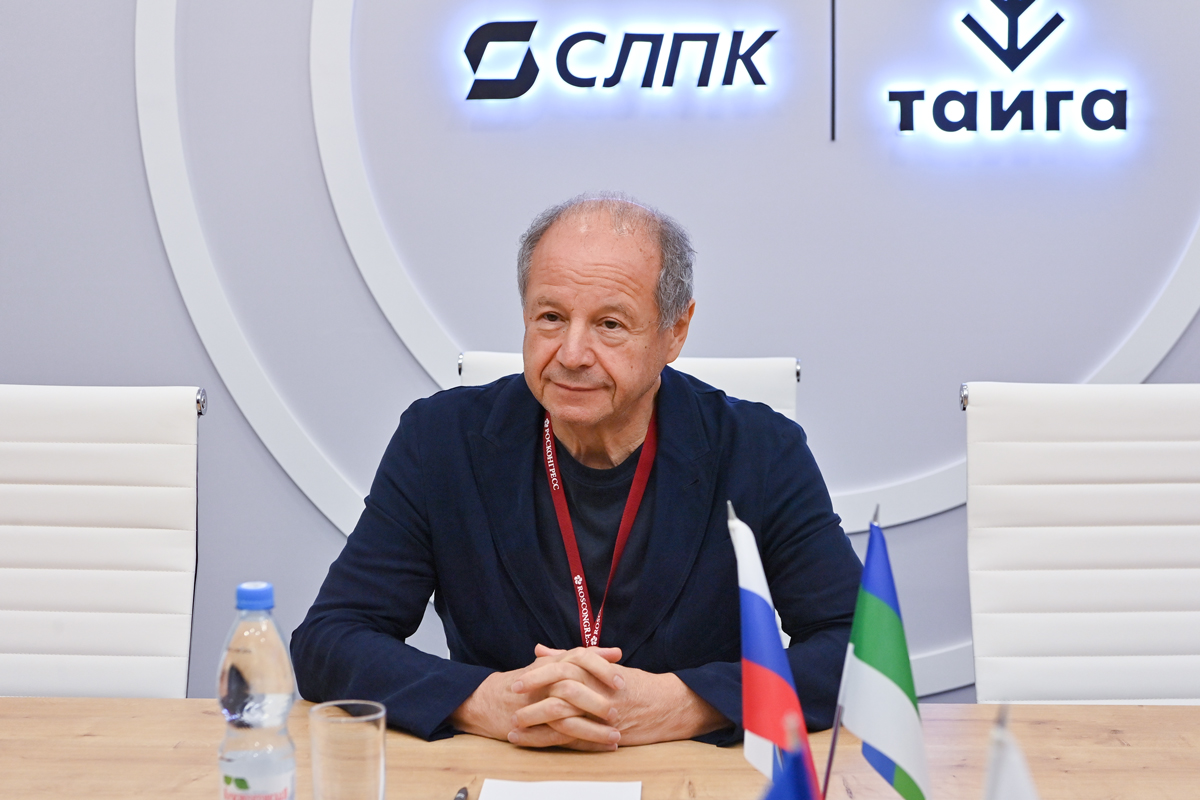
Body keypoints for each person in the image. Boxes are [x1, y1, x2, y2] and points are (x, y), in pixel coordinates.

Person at [291, 193, 862, 750]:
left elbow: (857, 651)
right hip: (500, 768)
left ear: (675, 332)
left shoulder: (760, 451)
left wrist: (683, 704)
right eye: (551, 317)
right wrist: (484, 700)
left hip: (691, 777)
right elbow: (329, 639)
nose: (571, 354)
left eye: (610, 324)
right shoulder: (440, 441)